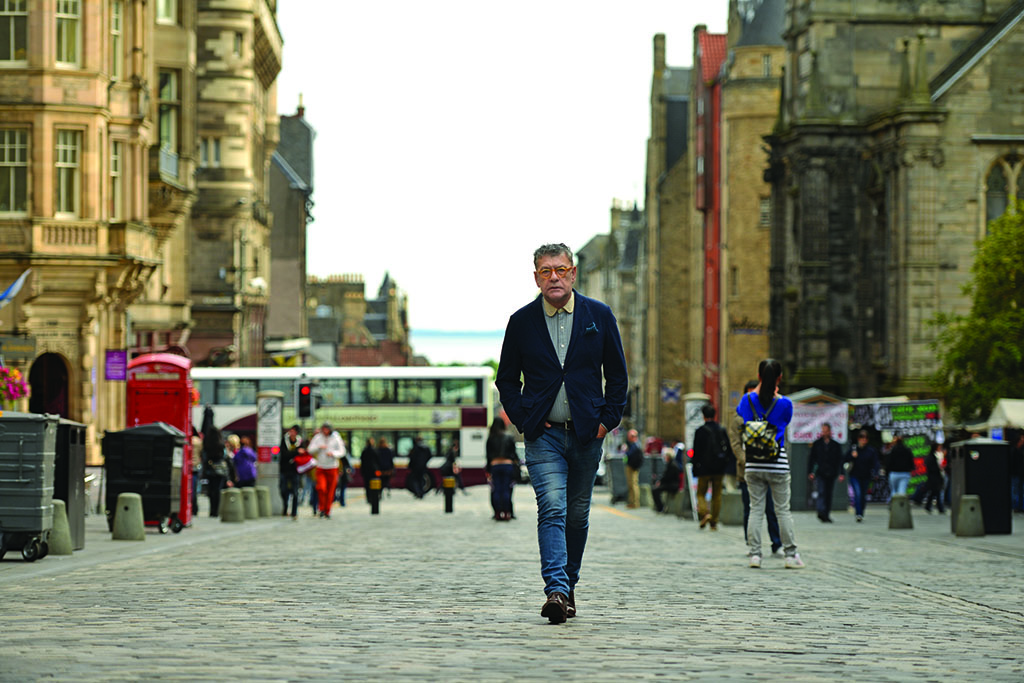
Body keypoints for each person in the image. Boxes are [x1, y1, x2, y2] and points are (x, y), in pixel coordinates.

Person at [496, 242, 628, 624]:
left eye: (560, 269)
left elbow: (617, 376)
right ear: (536, 277)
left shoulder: (598, 315)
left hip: (588, 434)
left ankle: (568, 586)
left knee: (577, 515)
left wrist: (607, 421)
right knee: (552, 507)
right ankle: (555, 589)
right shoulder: (521, 322)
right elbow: (506, 380)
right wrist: (525, 419)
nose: (553, 277)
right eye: (544, 271)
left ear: (572, 273)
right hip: (544, 435)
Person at [736, 358, 803, 569]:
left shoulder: (747, 400)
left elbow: (741, 416)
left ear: (758, 377)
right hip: (777, 463)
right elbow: (785, 422)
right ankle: (790, 555)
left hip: (754, 463)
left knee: (755, 509)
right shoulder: (785, 403)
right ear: (779, 378)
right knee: (782, 510)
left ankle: (755, 554)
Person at [727, 381, 782, 555]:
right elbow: (735, 445)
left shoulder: (767, 414)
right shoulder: (738, 419)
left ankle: (777, 543)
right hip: (747, 471)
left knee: (771, 510)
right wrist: (748, 461)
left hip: (768, 468)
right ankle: (752, 544)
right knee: (750, 510)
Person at [692, 404, 729, 530]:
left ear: (703, 416)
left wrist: (694, 467)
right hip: (719, 468)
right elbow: (728, 448)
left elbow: (696, 452)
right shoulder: (721, 429)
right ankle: (714, 521)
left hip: (704, 468)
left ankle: (704, 513)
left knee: (701, 493)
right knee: (717, 495)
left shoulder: (700, 431)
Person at [807, 422, 844, 523]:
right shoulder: (817, 444)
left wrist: (841, 473)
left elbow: (840, 459)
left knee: (828, 494)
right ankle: (821, 511)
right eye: (823, 431)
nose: (824, 433)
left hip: (831, 473)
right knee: (821, 491)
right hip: (821, 472)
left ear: (830, 431)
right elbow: (812, 459)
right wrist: (810, 471)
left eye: (826, 431)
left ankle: (826, 513)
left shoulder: (835, 445)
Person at [307, 423, 345, 519]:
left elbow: (342, 451)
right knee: (321, 488)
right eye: (323, 429)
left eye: (327, 429)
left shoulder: (336, 437)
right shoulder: (318, 438)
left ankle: (327, 510)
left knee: (330, 490)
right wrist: (319, 447)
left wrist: (333, 453)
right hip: (321, 466)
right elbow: (310, 449)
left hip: (332, 467)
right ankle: (322, 508)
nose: (325, 431)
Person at [200, 407, 233, 517]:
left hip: (210, 470)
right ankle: (216, 510)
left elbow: (204, 456)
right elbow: (225, 455)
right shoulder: (220, 444)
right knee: (218, 490)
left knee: (211, 490)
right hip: (220, 470)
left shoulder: (207, 444)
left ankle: (211, 509)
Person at [486, 418, 518, 520]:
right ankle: (507, 512)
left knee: (496, 489)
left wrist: (488, 469)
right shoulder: (509, 437)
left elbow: (488, 456)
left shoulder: (490, 438)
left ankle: (497, 512)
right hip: (507, 465)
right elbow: (514, 454)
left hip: (495, 465)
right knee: (506, 489)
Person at [844, 431, 881, 522]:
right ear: (858, 439)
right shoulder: (854, 449)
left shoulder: (870, 451)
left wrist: (876, 473)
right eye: (862, 438)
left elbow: (875, 463)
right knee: (858, 493)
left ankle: (861, 511)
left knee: (863, 495)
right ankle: (858, 513)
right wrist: (852, 457)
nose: (863, 440)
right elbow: (845, 459)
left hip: (866, 476)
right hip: (855, 475)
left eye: (865, 438)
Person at [279, 424, 305, 519]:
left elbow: (303, 454)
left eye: (294, 431)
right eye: (291, 431)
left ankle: (294, 512)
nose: (291, 433)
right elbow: (284, 454)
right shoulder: (284, 440)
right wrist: (296, 452)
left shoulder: (300, 441)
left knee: (295, 491)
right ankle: (285, 507)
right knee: (283, 489)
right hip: (284, 469)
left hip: (295, 470)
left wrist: (294, 454)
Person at [884, 432, 915, 496]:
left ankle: (894, 505)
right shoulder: (907, 450)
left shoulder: (892, 451)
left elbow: (888, 463)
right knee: (901, 492)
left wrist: (887, 472)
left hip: (894, 473)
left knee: (894, 492)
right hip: (904, 473)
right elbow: (911, 463)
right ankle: (900, 505)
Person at [922, 441, 946, 514]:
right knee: (936, 492)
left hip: (933, 478)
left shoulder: (931, 456)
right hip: (934, 478)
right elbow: (933, 468)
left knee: (933, 493)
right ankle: (940, 508)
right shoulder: (932, 457)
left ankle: (929, 506)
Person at [624, 429, 644, 509]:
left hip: (633, 467)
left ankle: (635, 503)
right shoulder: (632, 444)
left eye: (631, 436)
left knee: (633, 484)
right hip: (630, 466)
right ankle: (631, 502)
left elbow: (630, 454)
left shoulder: (636, 445)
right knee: (630, 485)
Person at [359, 436, 379, 502]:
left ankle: (368, 497)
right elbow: (378, 460)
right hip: (374, 470)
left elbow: (362, 461)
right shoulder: (375, 450)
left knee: (367, 485)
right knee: (374, 484)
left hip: (366, 471)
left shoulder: (364, 451)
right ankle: (375, 497)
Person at [1010, 433, 1024, 514]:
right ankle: (1016, 506)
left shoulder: (1018, 450)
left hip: (1020, 473)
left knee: (1019, 490)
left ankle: (1020, 506)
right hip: (1016, 473)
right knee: (1015, 490)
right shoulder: (1014, 450)